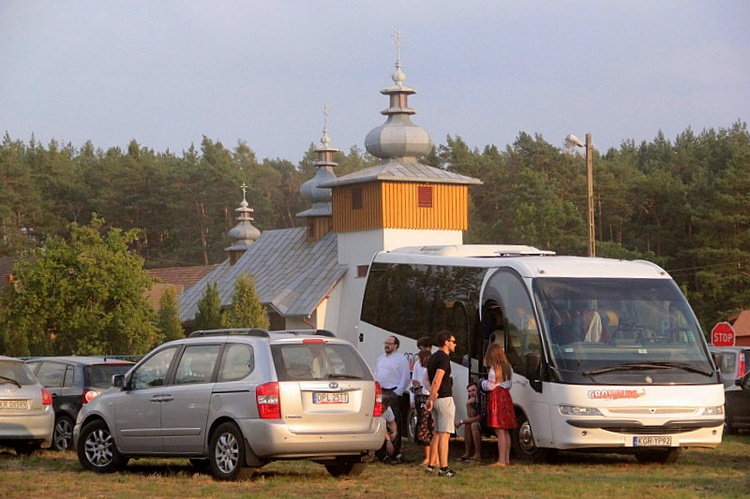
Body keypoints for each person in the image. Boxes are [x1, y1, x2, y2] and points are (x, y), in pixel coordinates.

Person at [425, 330, 457, 477]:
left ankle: (431, 465)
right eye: (453, 342)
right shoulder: (444, 358)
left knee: (437, 433)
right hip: (444, 399)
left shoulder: (432, 357)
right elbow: (438, 378)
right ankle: (444, 468)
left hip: (436, 399)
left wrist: (431, 396)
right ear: (446, 342)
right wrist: (432, 396)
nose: (455, 345)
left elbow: (426, 379)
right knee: (445, 434)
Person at [374, 335, 411, 456]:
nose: (386, 345)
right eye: (385, 343)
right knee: (380, 420)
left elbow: (405, 377)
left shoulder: (401, 359)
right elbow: (376, 373)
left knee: (393, 421)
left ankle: (394, 451)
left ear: (396, 345)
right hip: (381, 392)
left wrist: (397, 393)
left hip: (392, 392)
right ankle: (380, 449)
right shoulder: (381, 358)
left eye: (389, 343)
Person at [482, 343, 517, 467]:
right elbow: (509, 384)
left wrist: (482, 383)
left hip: (496, 397)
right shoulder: (507, 367)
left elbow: (490, 385)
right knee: (505, 430)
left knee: (499, 430)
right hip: (505, 396)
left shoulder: (494, 369)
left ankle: (501, 460)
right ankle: (506, 458)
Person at [410, 336, 434, 465]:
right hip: (421, 397)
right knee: (424, 426)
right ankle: (428, 456)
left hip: (428, 396)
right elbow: (414, 381)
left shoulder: (433, 363)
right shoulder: (418, 364)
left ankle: (431, 457)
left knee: (429, 426)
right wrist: (412, 398)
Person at [455, 381, 482, 462]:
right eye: (469, 391)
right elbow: (471, 416)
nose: (472, 393)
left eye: (473, 390)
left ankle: (477, 454)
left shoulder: (482, 399)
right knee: (468, 425)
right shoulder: (471, 400)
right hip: (477, 420)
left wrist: (461, 421)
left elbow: (479, 418)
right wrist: (468, 405)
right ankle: (467, 453)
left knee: (474, 425)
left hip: (485, 421)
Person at [375, 396, 401, 464]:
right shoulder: (374, 409)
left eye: (385, 409)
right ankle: (384, 457)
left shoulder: (388, 409)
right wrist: (388, 439)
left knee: (395, 432)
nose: (383, 410)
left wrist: (395, 432)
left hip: (383, 429)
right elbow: (379, 427)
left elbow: (392, 422)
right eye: (382, 408)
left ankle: (395, 454)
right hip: (376, 430)